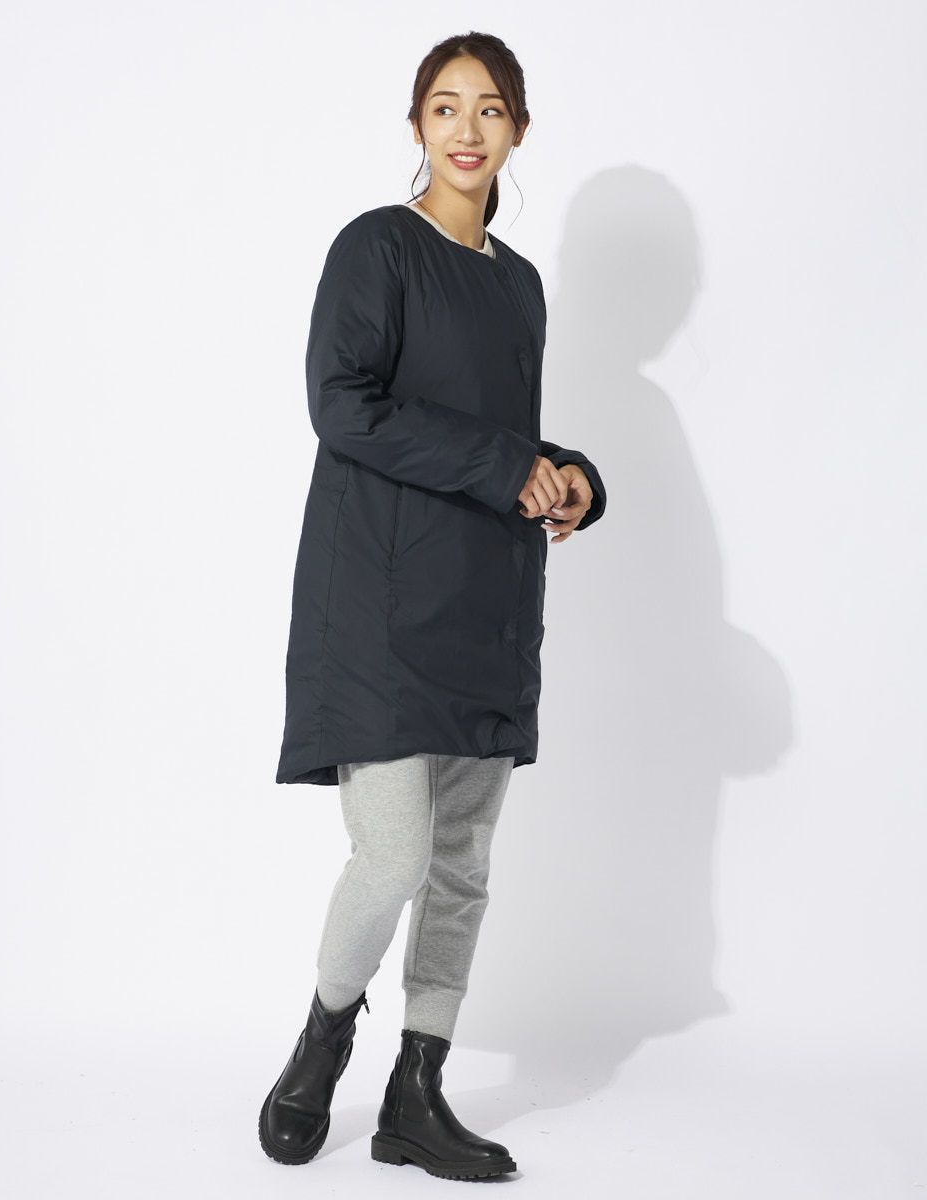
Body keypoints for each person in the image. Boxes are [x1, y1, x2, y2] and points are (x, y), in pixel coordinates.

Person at [259, 31, 607, 1181]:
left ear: (519, 131)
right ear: (415, 125)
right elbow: (343, 406)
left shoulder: (518, 283)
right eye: (445, 107)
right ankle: (324, 1037)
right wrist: (505, 464)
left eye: (490, 108)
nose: (467, 129)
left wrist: (566, 476)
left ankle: (418, 1089)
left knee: (461, 863)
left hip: (485, 600)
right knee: (393, 856)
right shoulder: (377, 249)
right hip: (379, 599)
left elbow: (497, 434)